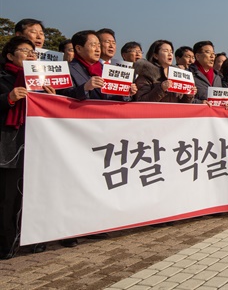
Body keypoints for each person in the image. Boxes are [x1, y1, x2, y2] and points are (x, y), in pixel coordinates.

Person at [1, 37, 57, 259]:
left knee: (33, 194)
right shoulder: (4, 78)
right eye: (25, 51)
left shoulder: (41, 80)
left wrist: (52, 98)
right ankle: (6, 244)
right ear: (10, 55)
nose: (31, 55)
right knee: (8, 197)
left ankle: (31, 238)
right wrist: (9, 98)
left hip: (36, 143)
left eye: (33, 52)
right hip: (10, 145)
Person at [59, 30, 137, 101]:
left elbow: (111, 98)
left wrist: (126, 93)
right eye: (93, 45)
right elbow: (62, 97)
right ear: (79, 48)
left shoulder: (107, 69)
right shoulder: (66, 69)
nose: (97, 49)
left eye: (99, 46)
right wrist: (85, 88)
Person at [189, 41, 228, 108]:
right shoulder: (189, 74)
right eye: (208, 52)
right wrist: (199, 103)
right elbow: (180, 100)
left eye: (213, 53)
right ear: (198, 56)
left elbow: (220, 99)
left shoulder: (217, 77)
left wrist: (227, 103)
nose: (212, 56)